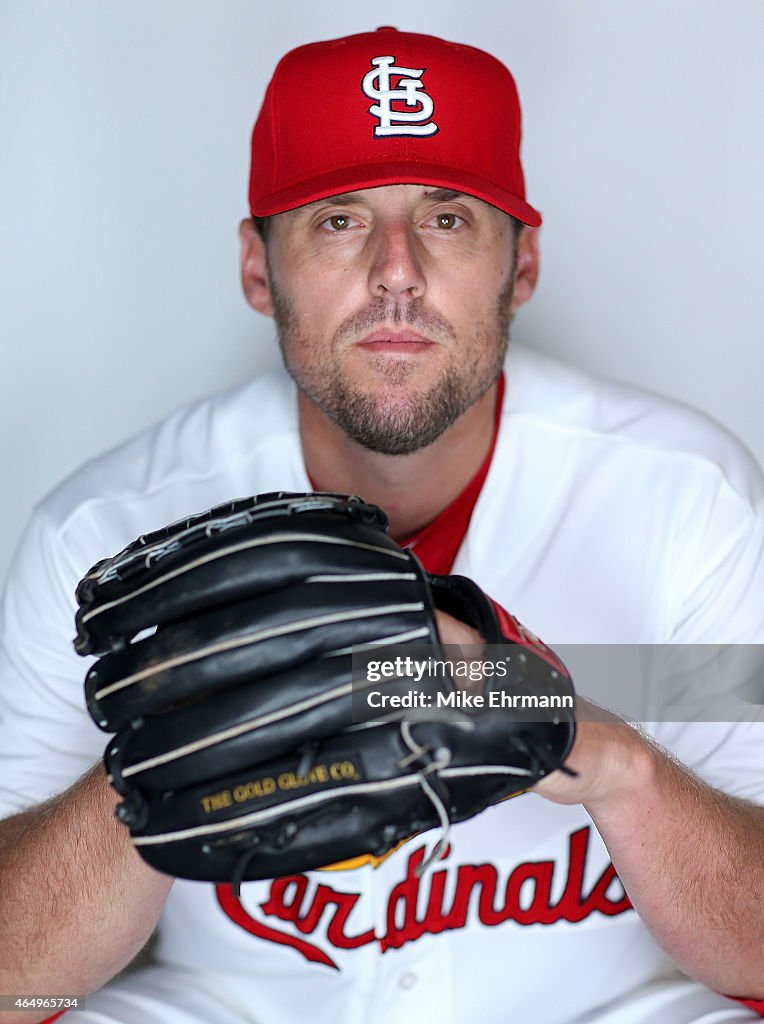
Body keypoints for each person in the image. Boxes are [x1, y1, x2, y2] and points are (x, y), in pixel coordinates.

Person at [0, 26, 762, 1024]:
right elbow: (17, 988)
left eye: (445, 219)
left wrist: (611, 764)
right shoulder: (104, 529)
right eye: (337, 219)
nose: (394, 271)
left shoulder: (680, 498)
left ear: (520, 265)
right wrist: (157, 766)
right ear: (257, 269)